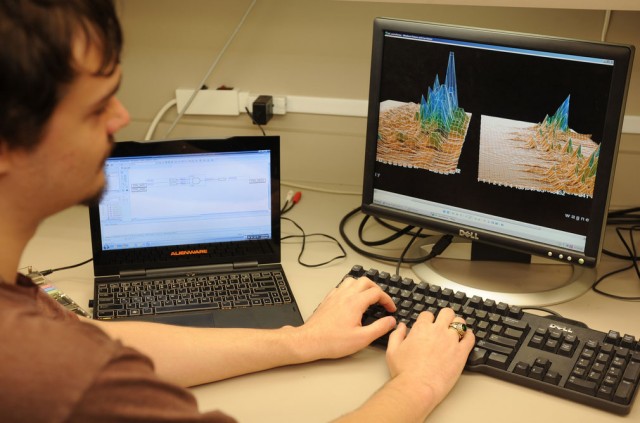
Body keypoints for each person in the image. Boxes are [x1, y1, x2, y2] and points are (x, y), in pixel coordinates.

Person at [0, 1, 475, 422]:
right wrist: (419, 385)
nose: (122, 118)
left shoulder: (27, 312)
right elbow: (88, 361)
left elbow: (97, 338)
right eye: (96, 106)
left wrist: (299, 341)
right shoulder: (53, 373)